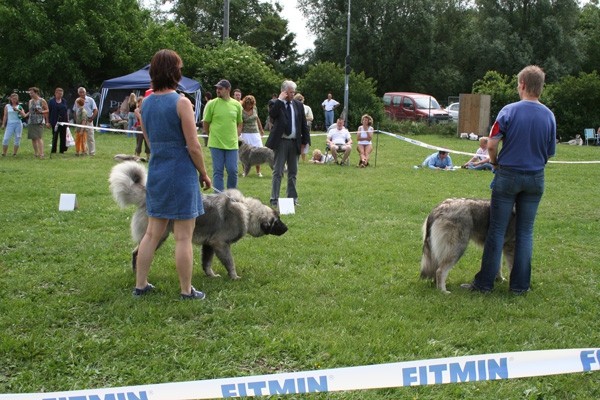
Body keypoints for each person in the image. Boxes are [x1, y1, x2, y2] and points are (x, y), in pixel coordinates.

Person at [462, 65, 556, 295]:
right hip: (535, 179)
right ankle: (520, 286)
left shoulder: (508, 111)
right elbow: (550, 152)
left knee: (497, 229)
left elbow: (492, 144)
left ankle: (484, 284)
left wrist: (494, 162)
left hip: (508, 176)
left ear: (522, 85)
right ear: (540, 88)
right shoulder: (549, 115)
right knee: (524, 232)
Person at [135, 49, 212, 300]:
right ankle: (186, 290)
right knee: (183, 237)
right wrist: (203, 173)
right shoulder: (182, 102)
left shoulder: (145, 103)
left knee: (151, 233)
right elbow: (193, 145)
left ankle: (141, 285)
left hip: (157, 171)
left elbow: (149, 140)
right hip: (181, 174)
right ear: (174, 71)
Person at [265, 80, 310, 207]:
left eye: (293, 92)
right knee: (278, 171)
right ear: (284, 92)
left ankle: (292, 199)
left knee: (293, 172)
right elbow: (272, 115)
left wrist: (305, 142)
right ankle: (274, 199)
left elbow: (303, 125)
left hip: (295, 142)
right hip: (281, 142)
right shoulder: (275, 103)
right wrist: (280, 100)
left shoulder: (298, 105)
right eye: (290, 92)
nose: (293, 94)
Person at [202, 79, 243, 192]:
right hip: (216, 143)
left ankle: (232, 197)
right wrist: (211, 135)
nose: (217, 90)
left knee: (232, 170)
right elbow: (206, 122)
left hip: (232, 144)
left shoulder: (236, 105)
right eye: (217, 88)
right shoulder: (212, 104)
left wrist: (238, 133)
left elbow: (240, 122)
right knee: (218, 171)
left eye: (220, 88)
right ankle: (219, 198)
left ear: (228, 89)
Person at [240, 95, 265, 177]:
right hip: (245, 133)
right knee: (244, 154)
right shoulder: (241, 110)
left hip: (255, 133)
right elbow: (240, 122)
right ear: (245, 103)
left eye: (251, 104)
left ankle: (258, 172)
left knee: (258, 152)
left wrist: (261, 129)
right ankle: (244, 171)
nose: (250, 106)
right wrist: (239, 132)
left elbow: (257, 119)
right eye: (248, 104)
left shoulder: (255, 109)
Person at [72, 87, 98, 155]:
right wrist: (76, 120)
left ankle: (92, 152)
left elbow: (95, 110)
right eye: (80, 92)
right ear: (78, 93)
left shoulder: (90, 100)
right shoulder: (77, 100)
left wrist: (92, 118)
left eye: (83, 92)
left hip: (89, 120)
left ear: (85, 92)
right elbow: (74, 110)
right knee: (80, 136)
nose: (82, 93)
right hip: (79, 121)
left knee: (90, 137)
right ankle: (83, 151)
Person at [25, 87, 48, 159]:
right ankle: (36, 153)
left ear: (36, 92)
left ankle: (42, 154)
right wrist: (24, 114)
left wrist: (41, 112)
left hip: (39, 121)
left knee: (39, 137)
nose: (30, 94)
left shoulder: (42, 100)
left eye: (32, 93)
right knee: (33, 138)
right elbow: (30, 111)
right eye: (29, 93)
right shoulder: (30, 101)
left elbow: (47, 110)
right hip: (31, 121)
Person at [47, 87, 69, 154]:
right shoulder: (51, 101)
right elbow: (48, 112)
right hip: (54, 121)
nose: (60, 95)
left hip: (63, 121)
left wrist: (67, 121)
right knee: (55, 136)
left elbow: (66, 111)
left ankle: (62, 150)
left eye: (61, 94)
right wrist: (48, 122)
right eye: (59, 94)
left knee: (63, 136)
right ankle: (53, 150)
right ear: (55, 93)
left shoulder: (64, 101)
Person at [294, 93, 313, 162]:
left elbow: (311, 118)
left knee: (304, 143)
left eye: (301, 100)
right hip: (296, 127)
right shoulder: (293, 107)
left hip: (305, 127)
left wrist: (303, 118)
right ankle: (296, 158)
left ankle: (303, 159)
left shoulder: (307, 108)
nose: (300, 101)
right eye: (298, 99)